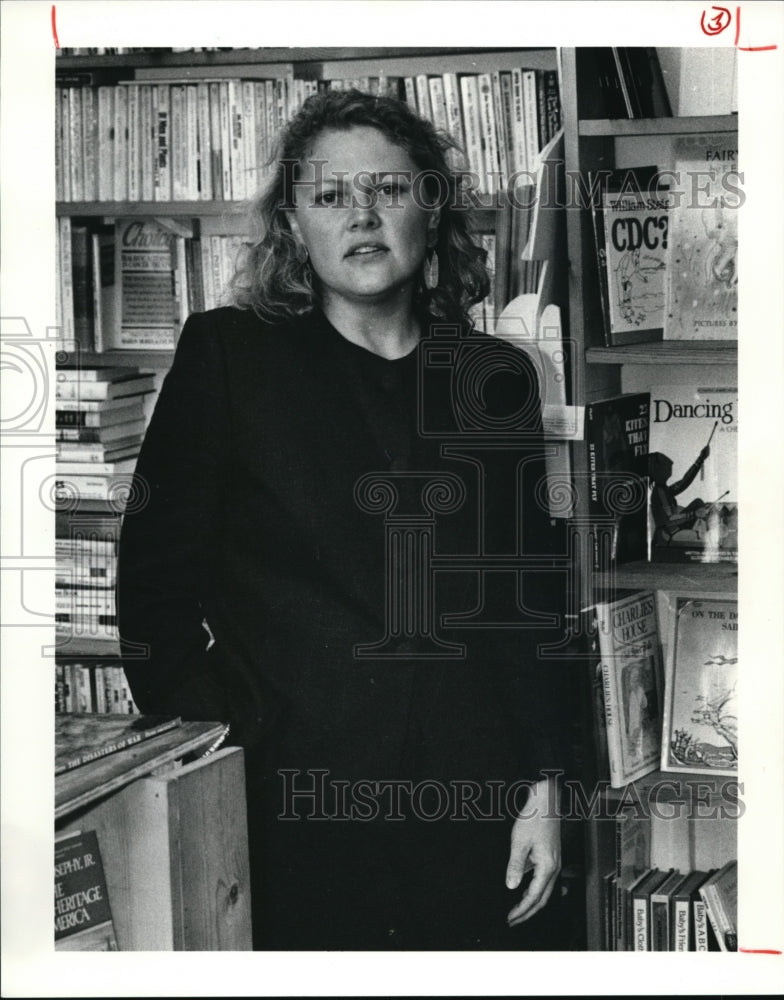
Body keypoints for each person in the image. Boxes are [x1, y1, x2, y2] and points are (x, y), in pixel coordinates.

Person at [118, 89, 568, 951]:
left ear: (430, 213)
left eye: (389, 191)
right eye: (330, 196)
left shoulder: (496, 378)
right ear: (294, 223)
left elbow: (529, 605)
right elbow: (153, 593)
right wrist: (220, 742)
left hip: (470, 804)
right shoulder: (228, 357)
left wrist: (545, 787)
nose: (362, 216)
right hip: (285, 801)